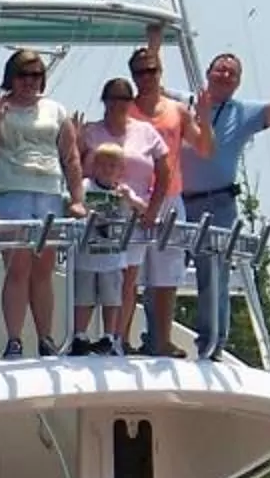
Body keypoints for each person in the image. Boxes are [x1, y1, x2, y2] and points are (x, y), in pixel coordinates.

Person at [181, 33, 270, 362]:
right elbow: (148, 93)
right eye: (220, 69)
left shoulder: (243, 112)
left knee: (214, 273)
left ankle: (212, 344)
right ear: (208, 73)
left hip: (218, 204)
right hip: (177, 203)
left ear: (238, 82)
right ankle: (155, 338)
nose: (225, 75)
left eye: (232, 72)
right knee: (163, 269)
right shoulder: (183, 102)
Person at [0, 47, 78, 359]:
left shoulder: (56, 110)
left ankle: (46, 338)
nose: (30, 80)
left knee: (43, 269)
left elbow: (71, 159)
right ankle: (14, 339)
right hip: (9, 191)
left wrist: (78, 199)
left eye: (36, 75)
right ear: (11, 77)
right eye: (23, 74)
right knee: (17, 268)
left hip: (48, 192)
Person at [74, 76, 170, 355]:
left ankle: (117, 338)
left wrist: (151, 210)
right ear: (104, 100)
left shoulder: (146, 132)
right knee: (90, 276)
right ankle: (81, 336)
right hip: (94, 218)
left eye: (125, 98)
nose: (118, 104)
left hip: (131, 214)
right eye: (113, 98)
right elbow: (75, 167)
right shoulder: (91, 131)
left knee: (126, 279)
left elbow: (165, 172)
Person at [125, 27, 192, 356]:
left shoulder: (177, 108)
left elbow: (202, 143)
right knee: (129, 269)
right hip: (135, 196)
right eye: (140, 72)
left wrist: (205, 115)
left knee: (166, 272)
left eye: (151, 70)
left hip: (170, 195)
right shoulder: (125, 108)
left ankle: (160, 338)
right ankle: (120, 337)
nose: (146, 76)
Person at [65, 137, 144, 355]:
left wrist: (131, 200)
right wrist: (83, 210)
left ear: (121, 169)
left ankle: (109, 337)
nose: (107, 170)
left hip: (113, 258)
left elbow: (142, 211)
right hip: (86, 255)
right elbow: (73, 206)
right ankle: (80, 335)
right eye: (103, 164)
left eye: (113, 165)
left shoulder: (124, 191)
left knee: (112, 298)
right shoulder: (85, 186)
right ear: (94, 165)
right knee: (84, 297)